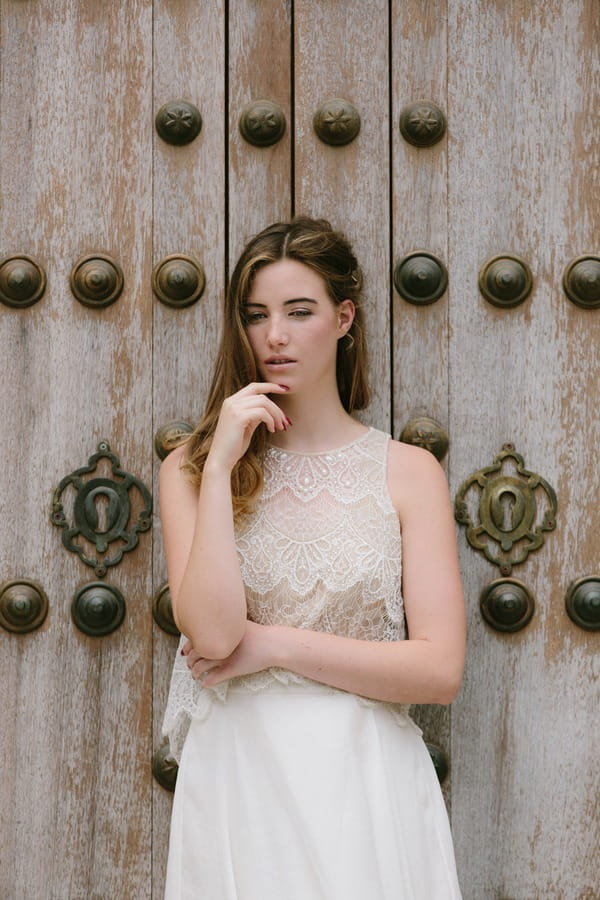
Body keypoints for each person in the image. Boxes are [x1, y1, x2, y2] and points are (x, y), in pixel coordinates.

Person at [160, 216, 466, 899]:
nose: (275, 335)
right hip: (241, 771)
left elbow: (440, 670)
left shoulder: (409, 471)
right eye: (257, 315)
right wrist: (218, 471)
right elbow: (211, 636)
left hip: (366, 776)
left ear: (343, 317)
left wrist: (271, 646)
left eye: (300, 312)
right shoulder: (189, 470)